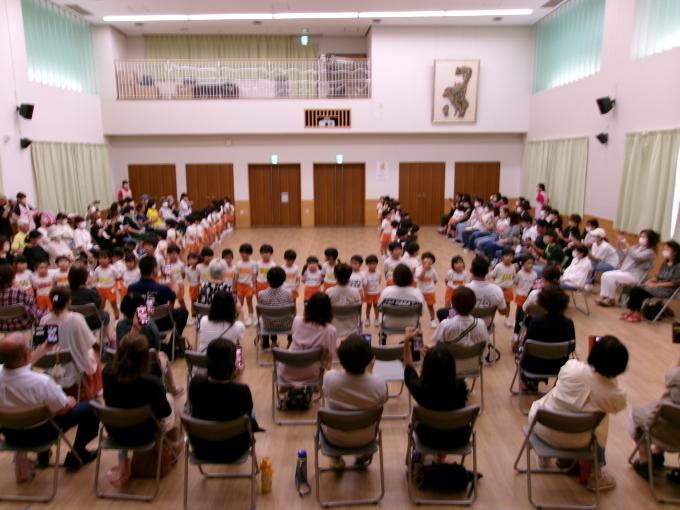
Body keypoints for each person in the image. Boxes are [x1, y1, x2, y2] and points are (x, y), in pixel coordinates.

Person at [528, 336, 628, 491]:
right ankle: (596, 474)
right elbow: (616, 404)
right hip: (578, 441)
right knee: (601, 417)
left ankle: (545, 455)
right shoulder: (614, 395)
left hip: (540, 427)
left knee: (560, 397)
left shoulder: (570, 367)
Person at [0, 333, 99, 476]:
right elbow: (62, 410)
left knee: (40, 411)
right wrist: (70, 401)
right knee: (91, 406)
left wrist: (42, 350)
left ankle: (43, 455)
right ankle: (78, 453)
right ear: (26, 355)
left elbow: (16, 367)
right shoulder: (42, 382)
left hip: (11, 435)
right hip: (42, 435)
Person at [102, 334, 180, 486]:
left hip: (115, 431)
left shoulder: (107, 373)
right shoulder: (151, 383)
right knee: (171, 401)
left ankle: (123, 458)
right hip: (145, 434)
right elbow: (165, 413)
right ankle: (173, 447)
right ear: (145, 358)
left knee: (123, 412)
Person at [188, 338, 262, 462]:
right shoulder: (242, 391)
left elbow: (191, 409)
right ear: (233, 364)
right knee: (251, 414)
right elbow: (247, 415)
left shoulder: (195, 384)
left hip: (202, 448)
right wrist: (239, 378)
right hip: (235, 449)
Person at [322, 334, 388, 470]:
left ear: (341, 359)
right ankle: (363, 455)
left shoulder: (330, 378)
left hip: (334, 438)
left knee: (328, 406)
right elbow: (384, 399)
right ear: (369, 360)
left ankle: (336, 457)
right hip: (366, 437)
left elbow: (326, 392)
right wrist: (369, 374)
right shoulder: (378, 383)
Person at [403, 327, 469, 449]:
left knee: (413, 426)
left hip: (429, 439)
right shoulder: (461, 387)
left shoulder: (420, 390)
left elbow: (408, 367)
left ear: (427, 369)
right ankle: (441, 456)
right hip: (458, 439)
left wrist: (407, 342)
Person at [39, 287, 100, 397]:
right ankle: (92, 393)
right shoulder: (77, 319)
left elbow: (46, 346)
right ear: (69, 301)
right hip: (77, 371)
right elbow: (91, 343)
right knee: (94, 355)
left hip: (54, 369)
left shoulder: (45, 320)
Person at [115, 292, 181, 395]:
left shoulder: (119, 326)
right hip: (149, 367)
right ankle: (173, 389)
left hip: (124, 369)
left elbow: (120, 345)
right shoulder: (149, 325)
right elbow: (157, 346)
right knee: (162, 355)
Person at [629, 354, 680, 479]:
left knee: (635, 415)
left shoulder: (675, 376)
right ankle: (657, 454)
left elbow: (670, 374)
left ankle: (645, 461)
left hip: (666, 435)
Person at [518, 287, 575, 391]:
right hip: (559, 366)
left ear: (543, 303)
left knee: (523, 350)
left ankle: (529, 382)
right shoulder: (569, 323)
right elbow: (572, 348)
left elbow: (526, 345)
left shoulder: (535, 322)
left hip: (533, 366)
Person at [127, 256, 189, 350]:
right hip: (160, 323)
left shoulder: (131, 288)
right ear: (154, 269)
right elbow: (173, 295)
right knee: (183, 311)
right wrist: (173, 282)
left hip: (141, 323)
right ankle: (173, 343)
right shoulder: (161, 288)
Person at [280, 293, 336, 385]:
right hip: (312, 373)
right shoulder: (330, 330)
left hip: (288, 369)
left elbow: (294, 337)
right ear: (329, 310)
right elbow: (329, 356)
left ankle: (289, 384)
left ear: (308, 307)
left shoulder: (297, 320)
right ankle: (315, 385)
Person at [621, 240, 680, 322]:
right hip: (658, 286)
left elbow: (674, 283)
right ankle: (632, 312)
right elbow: (659, 276)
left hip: (667, 289)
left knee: (637, 291)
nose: (664, 251)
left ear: (675, 252)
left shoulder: (678, 266)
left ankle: (637, 314)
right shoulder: (665, 262)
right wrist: (651, 280)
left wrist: (656, 285)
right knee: (635, 289)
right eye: (664, 249)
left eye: (667, 250)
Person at [433, 286, 489, 373]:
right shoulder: (481, 324)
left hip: (448, 367)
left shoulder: (445, 324)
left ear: (452, 305)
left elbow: (436, 345)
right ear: (474, 305)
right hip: (473, 364)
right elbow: (485, 348)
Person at [597, 230, 659, 307]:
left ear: (650, 239)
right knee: (605, 275)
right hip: (625, 271)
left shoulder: (651, 252)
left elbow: (636, 257)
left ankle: (610, 299)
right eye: (640, 236)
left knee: (610, 277)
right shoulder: (636, 247)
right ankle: (604, 297)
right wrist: (618, 244)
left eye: (643, 237)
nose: (641, 238)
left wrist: (626, 244)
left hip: (635, 276)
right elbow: (621, 255)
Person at [377, 264, 425, 339]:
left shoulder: (387, 291)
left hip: (388, 324)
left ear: (394, 277)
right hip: (411, 326)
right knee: (419, 328)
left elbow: (379, 308)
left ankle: (382, 346)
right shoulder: (417, 293)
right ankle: (417, 349)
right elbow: (421, 312)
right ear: (410, 277)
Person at [465, 256, 507, 328]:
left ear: (471, 270)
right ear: (487, 272)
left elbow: (454, 312)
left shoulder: (464, 290)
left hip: (465, 328)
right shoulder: (497, 290)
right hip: (485, 328)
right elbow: (503, 312)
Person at [257, 266, 294, 348]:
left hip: (268, 326)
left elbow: (260, 310)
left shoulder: (261, 294)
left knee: (267, 316)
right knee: (290, 318)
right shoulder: (288, 293)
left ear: (267, 280)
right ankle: (290, 342)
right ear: (284, 280)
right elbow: (292, 310)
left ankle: (266, 343)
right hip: (286, 326)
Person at [0, 264, 44, 332]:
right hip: (23, 327)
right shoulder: (19, 292)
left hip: (3, 329)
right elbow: (34, 311)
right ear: (12, 278)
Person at [69, 264, 110, 332]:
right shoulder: (91, 292)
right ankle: (105, 340)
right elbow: (99, 305)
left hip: (73, 323)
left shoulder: (66, 293)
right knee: (106, 314)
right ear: (85, 278)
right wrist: (94, 288)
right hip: (92, 323)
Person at [325, 263, 362, 338]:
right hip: (352, 328)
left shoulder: (329, 292)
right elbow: (359, 311)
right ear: (349, 276)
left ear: (335, 276)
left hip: (333, 327)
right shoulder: (355, 292)